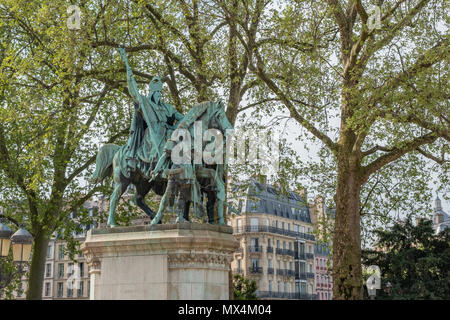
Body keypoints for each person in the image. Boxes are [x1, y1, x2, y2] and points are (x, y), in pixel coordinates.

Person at [118, 47, 184, 178]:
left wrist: (176, 126)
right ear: (152, 93)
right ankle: (159, 166)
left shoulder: (167, 107)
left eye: (160, 92)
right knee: (157, 135)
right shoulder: (145, 103)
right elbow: (133, 92)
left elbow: (182, 118)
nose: (159, 95)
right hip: (151, 133)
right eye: (157, 92)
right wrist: (128, 70)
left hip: (167, 131)